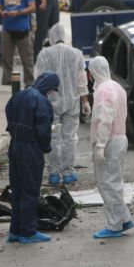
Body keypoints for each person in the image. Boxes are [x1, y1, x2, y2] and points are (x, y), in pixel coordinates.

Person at [5, 71, 60, 244]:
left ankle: (15, 230)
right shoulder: (41, 100)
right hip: (30, 148)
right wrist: (46, 147)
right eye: (53, 90)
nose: (52, 93)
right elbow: (43, 128)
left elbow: (8, 113)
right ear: (49, 87)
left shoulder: (18, 95)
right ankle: (28, 232)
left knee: (18, 189)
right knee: (30, 190)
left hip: (14, 146)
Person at [34, 23, 90, 186]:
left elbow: (38, 79)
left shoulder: (44, 54)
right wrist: (85, 100)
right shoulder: (77, 54)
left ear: (51, 37)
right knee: (70, 138)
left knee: (53, 137)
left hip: (50, 102)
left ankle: (53, 173)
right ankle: (68, 172)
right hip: (71, 101)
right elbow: (81, 80)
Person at [89, 56, 134, 239]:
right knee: (114, 182)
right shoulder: (116, 86)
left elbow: (105, 119)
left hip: (109, 141)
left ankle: (114, 225)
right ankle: (123, 218)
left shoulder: (104, 90)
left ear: (93, 72)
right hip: (119, 138)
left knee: (107, 183)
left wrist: (100, 144)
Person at [0, 0, 36, 87]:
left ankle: (29, 82)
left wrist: (19, 12)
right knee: (6, 58)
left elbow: (32, 7)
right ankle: (7, 81)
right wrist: (2, 12)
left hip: (22, 30)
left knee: (27, 59)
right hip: (7, 30)